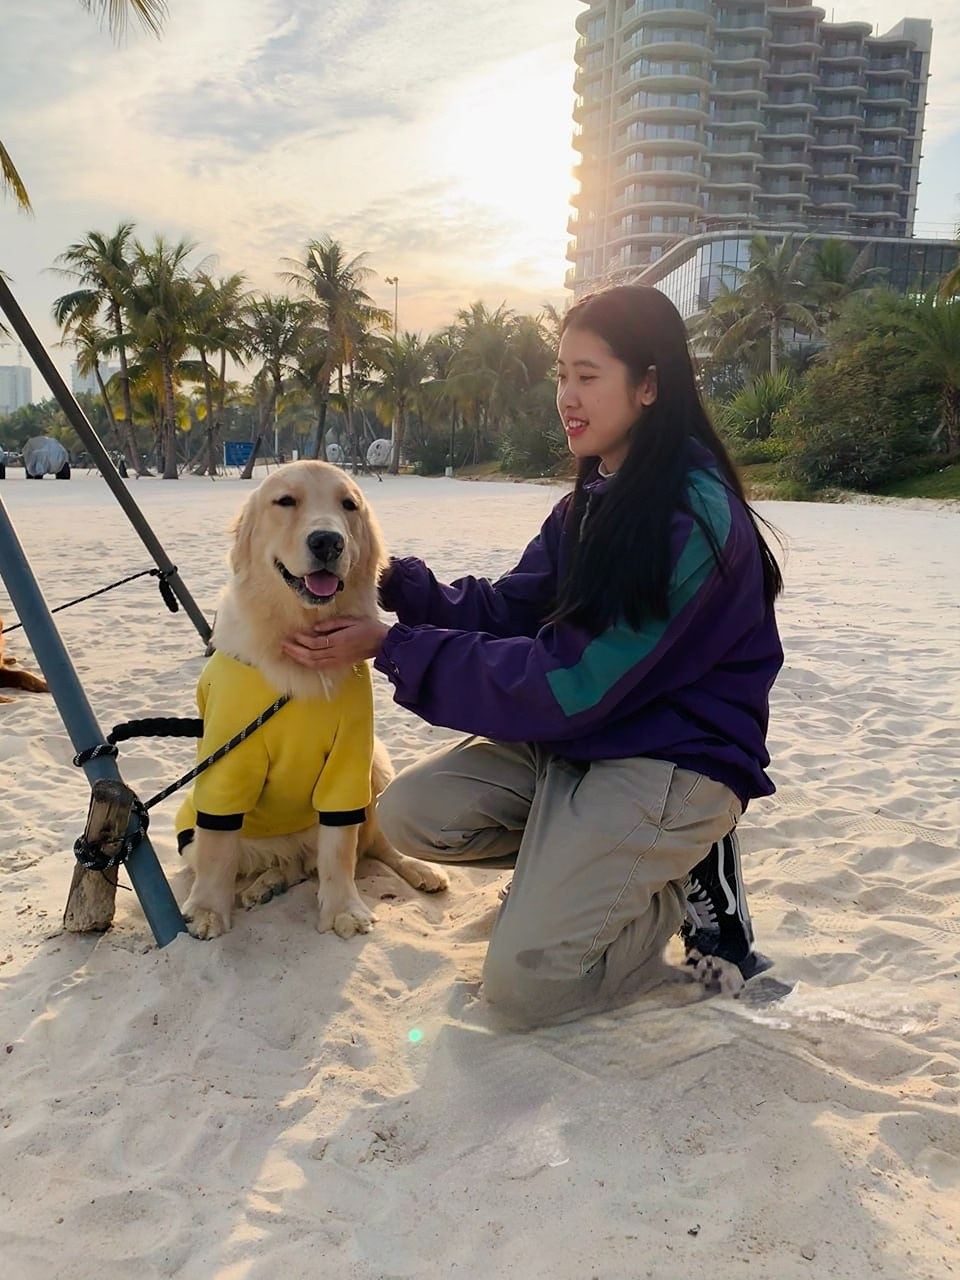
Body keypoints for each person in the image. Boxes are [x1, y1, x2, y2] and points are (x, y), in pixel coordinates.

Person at [282, 285, 784, 1028]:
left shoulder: (693, 522)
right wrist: (390, 583)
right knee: (413, 813)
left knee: (526, 989)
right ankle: (583, 871)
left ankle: (684, 879)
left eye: (588, 375)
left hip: (671, 754)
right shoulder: (596, 497)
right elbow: (515, 609)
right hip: (590, 738)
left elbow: (568, 682)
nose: (566, 397)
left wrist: (394, 646)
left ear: (649, 385)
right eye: (560, 374)